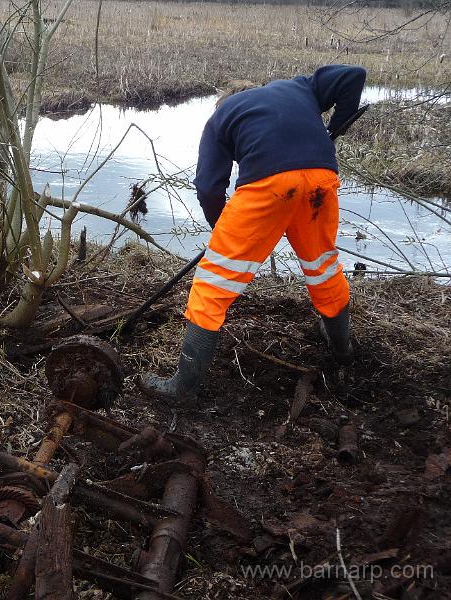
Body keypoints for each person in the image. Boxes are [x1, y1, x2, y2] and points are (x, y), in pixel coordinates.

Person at [139, 64, 367, 404]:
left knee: (213, 283)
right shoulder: (298, 88)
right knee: (323, 266)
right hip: (321, 179)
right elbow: (353, 75)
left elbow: (207, 186)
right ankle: (343, 351)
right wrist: (337, 126)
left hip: (268, 187)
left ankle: (182, 390)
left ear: (224, 102)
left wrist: (221, 228)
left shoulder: (220, 117)